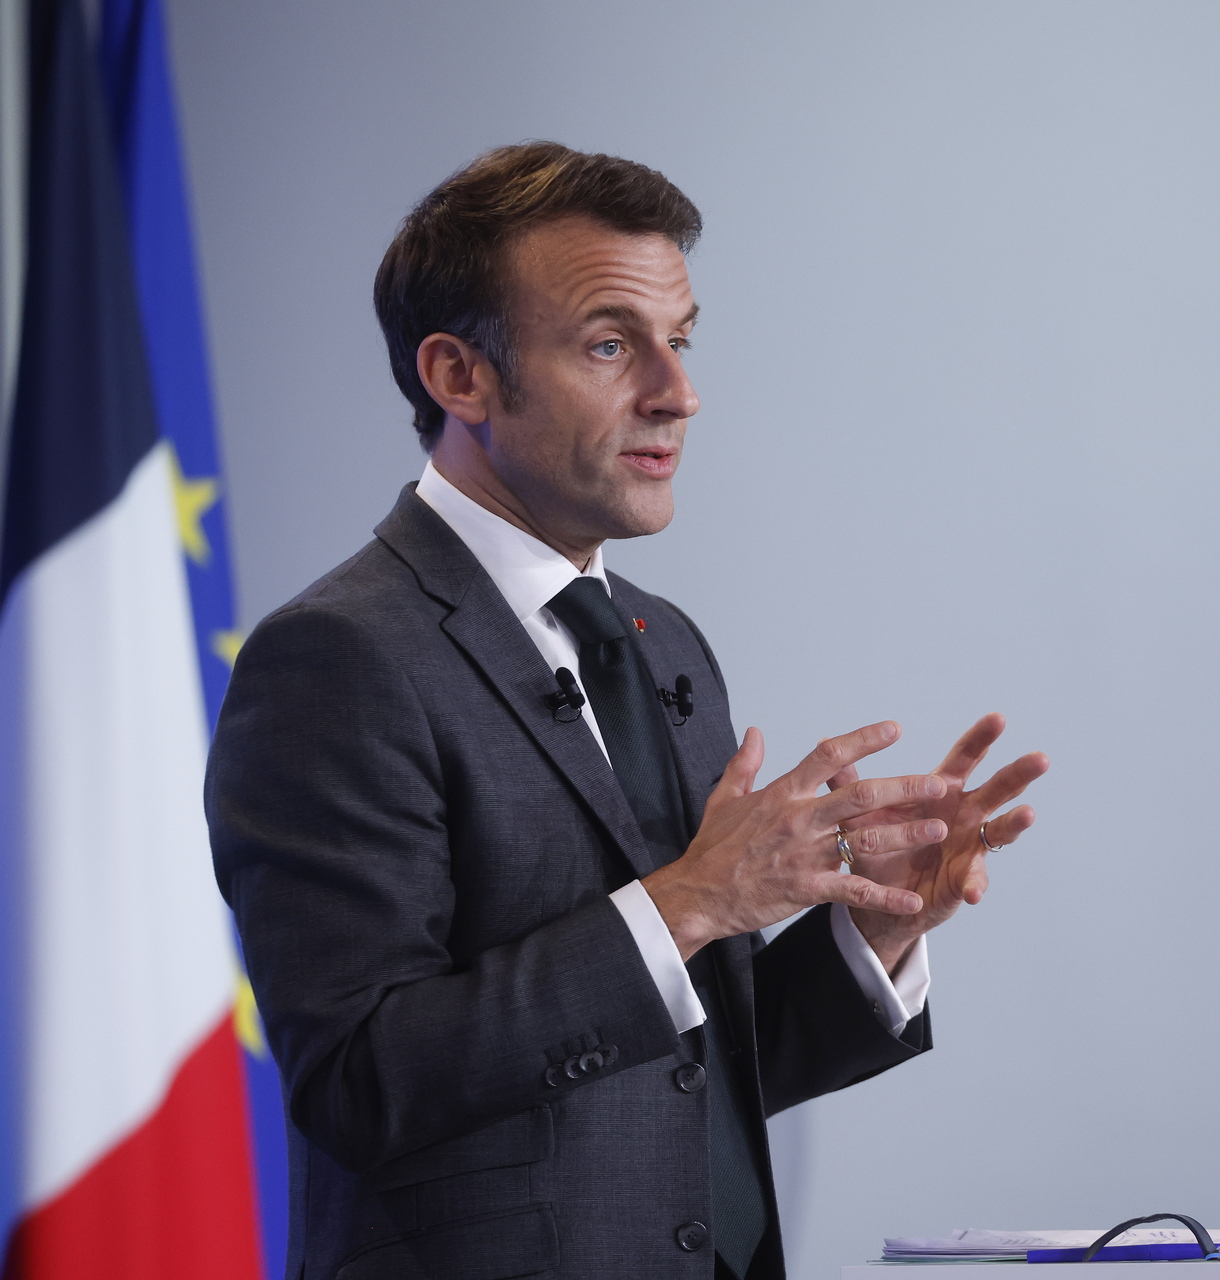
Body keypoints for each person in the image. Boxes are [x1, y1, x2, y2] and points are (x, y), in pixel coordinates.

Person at [208, 141, 1047, 1280]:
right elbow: (359, 1080)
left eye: (680, 339)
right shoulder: (339, 657)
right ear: (459, 376)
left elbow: (679, 1076)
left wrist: (877, 927)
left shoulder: (663, 638)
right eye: (611, 344)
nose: (677, 392)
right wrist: (693, 899)